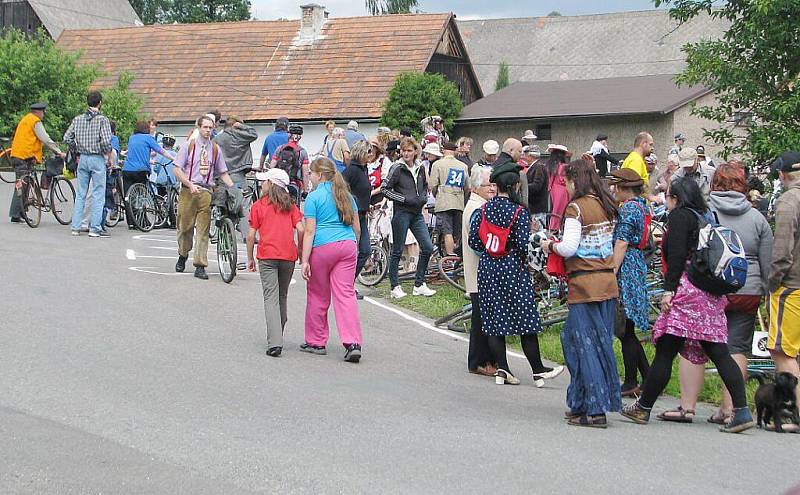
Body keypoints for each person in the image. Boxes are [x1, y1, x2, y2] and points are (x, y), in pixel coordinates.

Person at [621, 177, 755, 433]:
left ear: (676, 198)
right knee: (718, 352)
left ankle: (643, 407)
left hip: (688, 292)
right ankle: (742, 410)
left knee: (666, 350)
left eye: (669, 197)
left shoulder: (681, 217)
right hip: (709, 294)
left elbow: (678, 256)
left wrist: (669, 291)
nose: (667, 201)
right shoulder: (705, 215)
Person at [661, 163, 773, 424]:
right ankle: (730, 409)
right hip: (747, 288)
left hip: (708, 286)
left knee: (694, 342)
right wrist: (765, 290)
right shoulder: (757, 218)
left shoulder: (704, 210)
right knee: (736, 347)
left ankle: (687, 406)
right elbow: (767, 260)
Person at [538, 160, 620, 427]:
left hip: (584, 285)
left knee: (582, 346)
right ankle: (580, 402)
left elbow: (569, 247)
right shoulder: (606, 205)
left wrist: (549, 245)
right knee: (600, 343)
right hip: (607, 284)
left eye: (567, 181)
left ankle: (593, 409)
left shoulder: (576, 208)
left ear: (576, 180)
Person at [470, 160, 563, 387]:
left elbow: (474, 240)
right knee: (525, 318)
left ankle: (503, 369)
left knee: (494, 319)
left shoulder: (483, 209)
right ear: (514, 186)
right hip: (511, 267)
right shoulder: (518, 211)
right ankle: (538, 370)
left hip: (488, 268)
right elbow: (522, 244)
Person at [300, 157, 363, 363]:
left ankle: (316, 341)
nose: (310, 177)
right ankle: (353, 342)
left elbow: (309, 231)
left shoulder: (314, 197)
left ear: (319, 175)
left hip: (322, 246)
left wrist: (305, 259)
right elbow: (357, 228)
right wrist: (354, 245)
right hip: (347, 245)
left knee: (318, 293)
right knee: (345, 294)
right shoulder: (346, 196)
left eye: (311, 173)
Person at [247, 168, 304, 358]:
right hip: (288, 255)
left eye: (264, 181)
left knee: (270, 297)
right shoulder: (291, 206)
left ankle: (275, 341)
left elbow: (251, 234)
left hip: (267, 255)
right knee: (282, 296)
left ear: (271, 184)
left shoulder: (259, 205)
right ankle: (277, 332)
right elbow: (301, 229)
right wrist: (300, 248)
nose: (262, 184)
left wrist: (249, 257)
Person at [172, 115, 235, 280]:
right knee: (184, 228)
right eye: (205, 127)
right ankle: (183, 253)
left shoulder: (215, 149)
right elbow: (177, 169)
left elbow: (222, 172)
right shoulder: (189, 146)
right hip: (188, 190)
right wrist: (189, 183)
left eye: (210, 127)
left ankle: (200, 265)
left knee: (203, 231)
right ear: (198, 128)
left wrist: (233, 188)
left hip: (206, 192)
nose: (208, 130)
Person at [608, 169, 651, 397]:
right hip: (638, 263)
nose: (613, 190)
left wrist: (612, 270)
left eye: (616, 186)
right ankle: (649, 377)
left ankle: (631, 380)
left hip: (626, 266)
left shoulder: (629, 209)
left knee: (625, 328)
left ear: (625, 187)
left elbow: (622, 243)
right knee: (629, 327)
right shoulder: (643, 206)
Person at [381, 136, 437, 299]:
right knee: (397, 250)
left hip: (417, 212)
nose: (406, 154)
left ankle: (419, 284)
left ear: (415, 152)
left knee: (427, 247)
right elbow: (385, 189)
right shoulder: (397, 167)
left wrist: (424, 198)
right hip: (402, 213)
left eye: (409, 151)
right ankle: (395, 286)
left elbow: (425, 185)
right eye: (403, 151)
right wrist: (403, 199)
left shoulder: (420, 167)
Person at [766, 151, 800, 418]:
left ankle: (795, 411)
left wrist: (773, 282)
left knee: (782, 350)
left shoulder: (789, 201)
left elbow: (782, 252)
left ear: (782, 174)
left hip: (791, 285)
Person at [463, 165, 497, 377]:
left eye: (493, 185)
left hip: (478, 271)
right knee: (481, 320)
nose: (492, 189)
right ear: (476, 187)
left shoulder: (479, 205)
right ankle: (479, 361)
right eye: (488, 185)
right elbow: (477, 242)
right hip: (479, 270)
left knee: (481, 317)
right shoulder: (477, 209)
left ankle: (481, 360)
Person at [64, 91, 113, 237]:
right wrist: (107, 153)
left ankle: (76, 226)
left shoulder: (78, 119)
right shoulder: (102, 120)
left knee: (81, 193)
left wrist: (76, 148)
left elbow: (67, 137)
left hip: (83, 158)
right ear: (100, 103)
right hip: (97, 158)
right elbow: (105, 141)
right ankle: (95, 228)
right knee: (98, 193)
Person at [8, 102, 65, 223]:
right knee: (22, 184)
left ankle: (19, 212)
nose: (44, 114)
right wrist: (59, 152)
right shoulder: (35, 121)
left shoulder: (26, 119)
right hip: (24, 156)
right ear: (39, 112)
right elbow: (45, 138)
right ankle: (16, 213)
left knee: (23, 183)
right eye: (43, 112)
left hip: (17, 155)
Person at [122, 120, 175, 229]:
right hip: (141, 170)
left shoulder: (132, 138)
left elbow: (135, 153)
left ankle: (131, 223)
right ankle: (143, 220)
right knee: (142, 195)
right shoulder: (148, 138)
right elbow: (161, 151)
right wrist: (173, 158)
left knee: (128, 196)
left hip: (127, 170)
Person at [214, 116, 258, 239]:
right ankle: (247, 235)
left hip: (222, 175)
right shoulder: (239, 135)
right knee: (243, 203)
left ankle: (225, 232)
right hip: (238, 174)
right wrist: (242, 126)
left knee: (224, 203)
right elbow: (254, 134)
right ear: (235, 125)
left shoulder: (217, 139)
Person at [429, 141, 470, 256]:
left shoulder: (438, 164)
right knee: (458, 231)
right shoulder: (463, 166)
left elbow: (433, 185)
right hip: (459, 202)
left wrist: (437, 193)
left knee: (447, 231)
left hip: (444, 202)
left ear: (443, 150)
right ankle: (458, 253)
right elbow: (468, 187)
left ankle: (450, 256)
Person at [342, 140, 372, 294]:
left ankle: (348, 281)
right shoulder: (352, 171)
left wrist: (367, 205)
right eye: (368, 152)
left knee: (365, 250)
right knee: (355, 250)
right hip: (353, 215)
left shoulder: (363, 169)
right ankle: (346, 284)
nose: (371, 155)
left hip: (362, 214)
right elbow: (341, 190)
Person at [270, 125, 310, 203]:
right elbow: (305, 174)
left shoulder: (280, 149)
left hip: (280, 184)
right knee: (294, 209)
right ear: (300, 137)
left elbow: (272, 167)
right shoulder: (302, 152)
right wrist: (305, 191)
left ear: (289, 135)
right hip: (294, 184)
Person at [546, 144, 571, 231]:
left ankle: (553, 227)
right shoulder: (564, 167)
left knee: (555, 209)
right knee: (562, 210)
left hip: (553, 189)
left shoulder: (551, 166)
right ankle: (558, 227)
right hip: (562, 189)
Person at [525, 145, 548, 226]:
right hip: (535, 207)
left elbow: (537, 186)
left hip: (537, 207)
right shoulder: (536, 166)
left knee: (539, 233)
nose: (524, 157)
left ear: (530, 156)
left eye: (526, 155)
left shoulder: (539, 167)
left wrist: (524, 187)